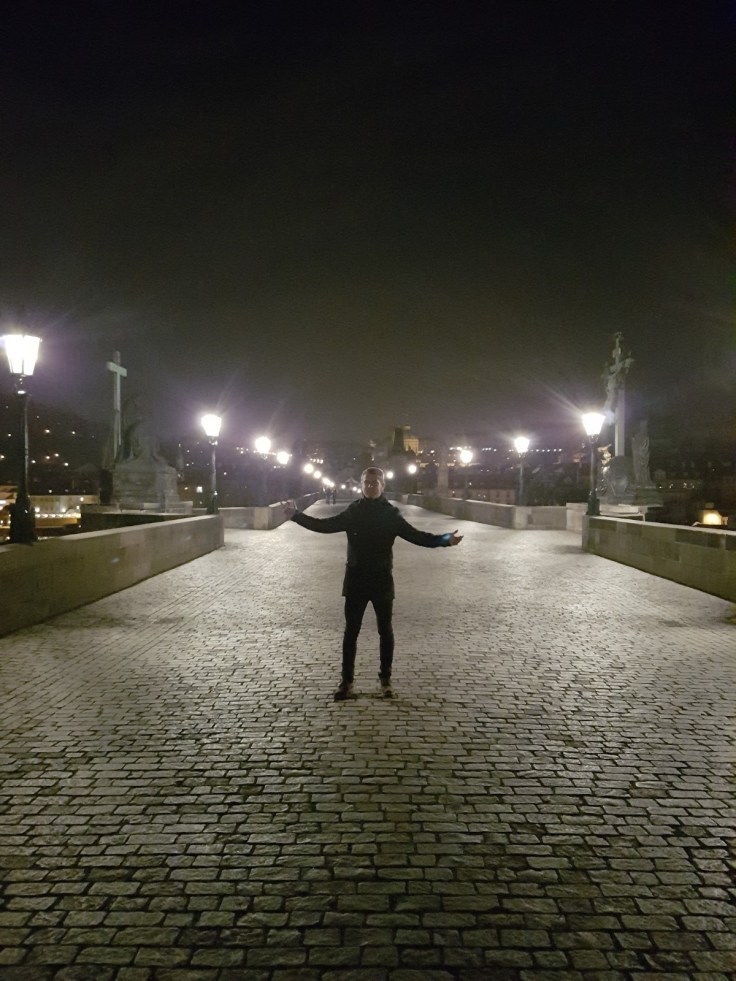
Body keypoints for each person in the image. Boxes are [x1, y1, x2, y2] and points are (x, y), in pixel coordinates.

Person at [283, 467, 463, 700]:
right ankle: (347, 682)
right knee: (351, 633)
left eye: (374, 482)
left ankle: (385, 680)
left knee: (385, 632)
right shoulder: (353, 512)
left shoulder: (391, 514)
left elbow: (417, 536)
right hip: (356, 579)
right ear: (361, 485)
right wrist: (296, 515)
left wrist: (444, 540)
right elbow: (324, 526)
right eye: (367, 482)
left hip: (381, 580)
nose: (370, 486)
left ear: (382, 486)